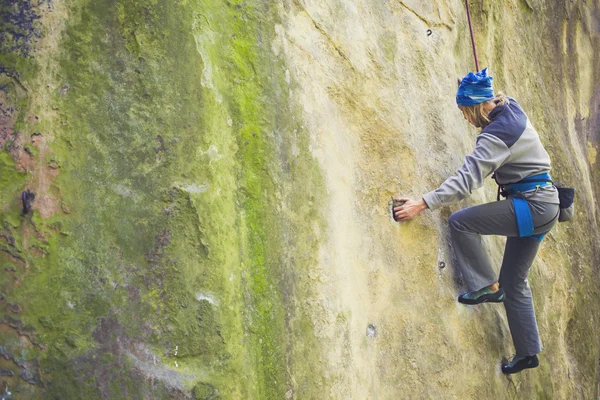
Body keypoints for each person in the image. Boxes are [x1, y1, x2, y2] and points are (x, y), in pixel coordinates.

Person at [393, 68, 560, 375]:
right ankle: (527, 353)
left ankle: (486, 285)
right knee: (515, 281)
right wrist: (469, 85)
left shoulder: (496, 137)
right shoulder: (510, 107)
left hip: (531, 206)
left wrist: (422, 202)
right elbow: (485, 97)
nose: (465, 120)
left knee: (460, 222)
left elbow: (466, 179)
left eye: (464, 112)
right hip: (545, 205)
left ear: (477, 107)